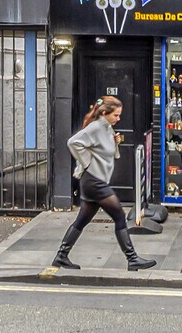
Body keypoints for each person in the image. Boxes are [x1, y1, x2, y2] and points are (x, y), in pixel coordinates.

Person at [52, 95, 155, 270]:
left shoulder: (107, 128)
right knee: (119, 215)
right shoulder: (96, 127)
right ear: (105, 113)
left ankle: (61, 256)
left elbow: (112, 155)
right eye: (116, 115)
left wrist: (115, 143)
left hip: (95, 181)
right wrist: (87, 163)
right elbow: (73, 142)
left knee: (82, 220)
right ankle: (132, 259)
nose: (119, 118)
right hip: (94, 181)